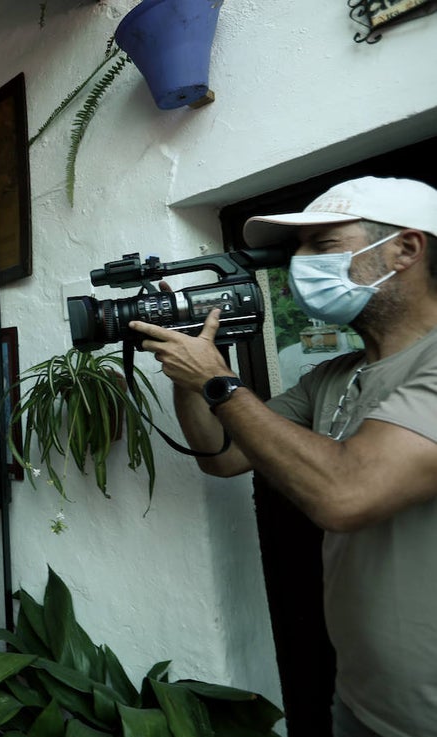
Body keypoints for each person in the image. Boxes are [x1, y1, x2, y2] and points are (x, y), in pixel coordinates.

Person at [131, 176, 437, 737]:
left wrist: (219, 381)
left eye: (322, 246)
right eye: (296, 250)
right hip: (364, 703)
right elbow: (222, 454)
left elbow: (346, 494)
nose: (301, 264)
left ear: (406, 250)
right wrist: (188, 367)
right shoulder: (333, 375)